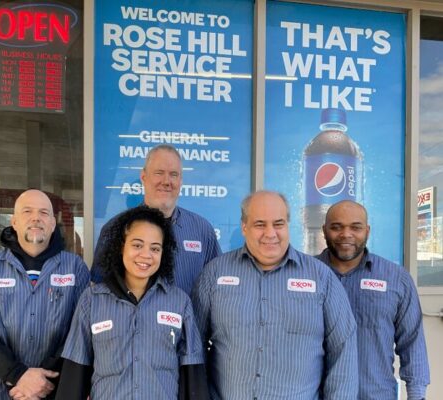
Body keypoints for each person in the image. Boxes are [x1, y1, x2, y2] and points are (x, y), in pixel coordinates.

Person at [192, 190, 358, 399]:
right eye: (260, 224)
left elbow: (343, 351)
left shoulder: (321, 278)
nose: (270, 233)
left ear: (288, 225)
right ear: (244, 227)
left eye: (278, 224)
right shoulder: (214, 274)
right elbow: (193, 346)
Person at [56, 206, 208, 399]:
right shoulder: (92, 301)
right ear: (121, 247)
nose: (146, 255)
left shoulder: (179, 303)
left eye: (155, 248)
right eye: (137, 245)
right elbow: (75, 372)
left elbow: (192, 374)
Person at [0, 189, 90, 400]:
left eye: (44, 213)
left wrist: (42, 380)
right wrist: (18, 375)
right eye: (27, 211)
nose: (35, 218)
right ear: (14, 221)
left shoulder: (75, 268)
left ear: (52, 223)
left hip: (53, 388)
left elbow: (80, 331)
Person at [317, 200, 430, 400]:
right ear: (324, 230)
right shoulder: (307, 275)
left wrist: (417, 395)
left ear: (367, 231)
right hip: (316, 394)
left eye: (356, 227)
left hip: (375, 394)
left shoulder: (396, 278)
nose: (346, 234)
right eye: (336, 227)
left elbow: (412, 342)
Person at [91, 144, 221, 295]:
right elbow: (99, 289)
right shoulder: (115, 228)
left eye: (173, 174)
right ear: (143, 177)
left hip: (189, 318)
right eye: (159, 173)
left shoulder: (202, 230)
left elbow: (218, 284)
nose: (166, 181)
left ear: (181, 181)